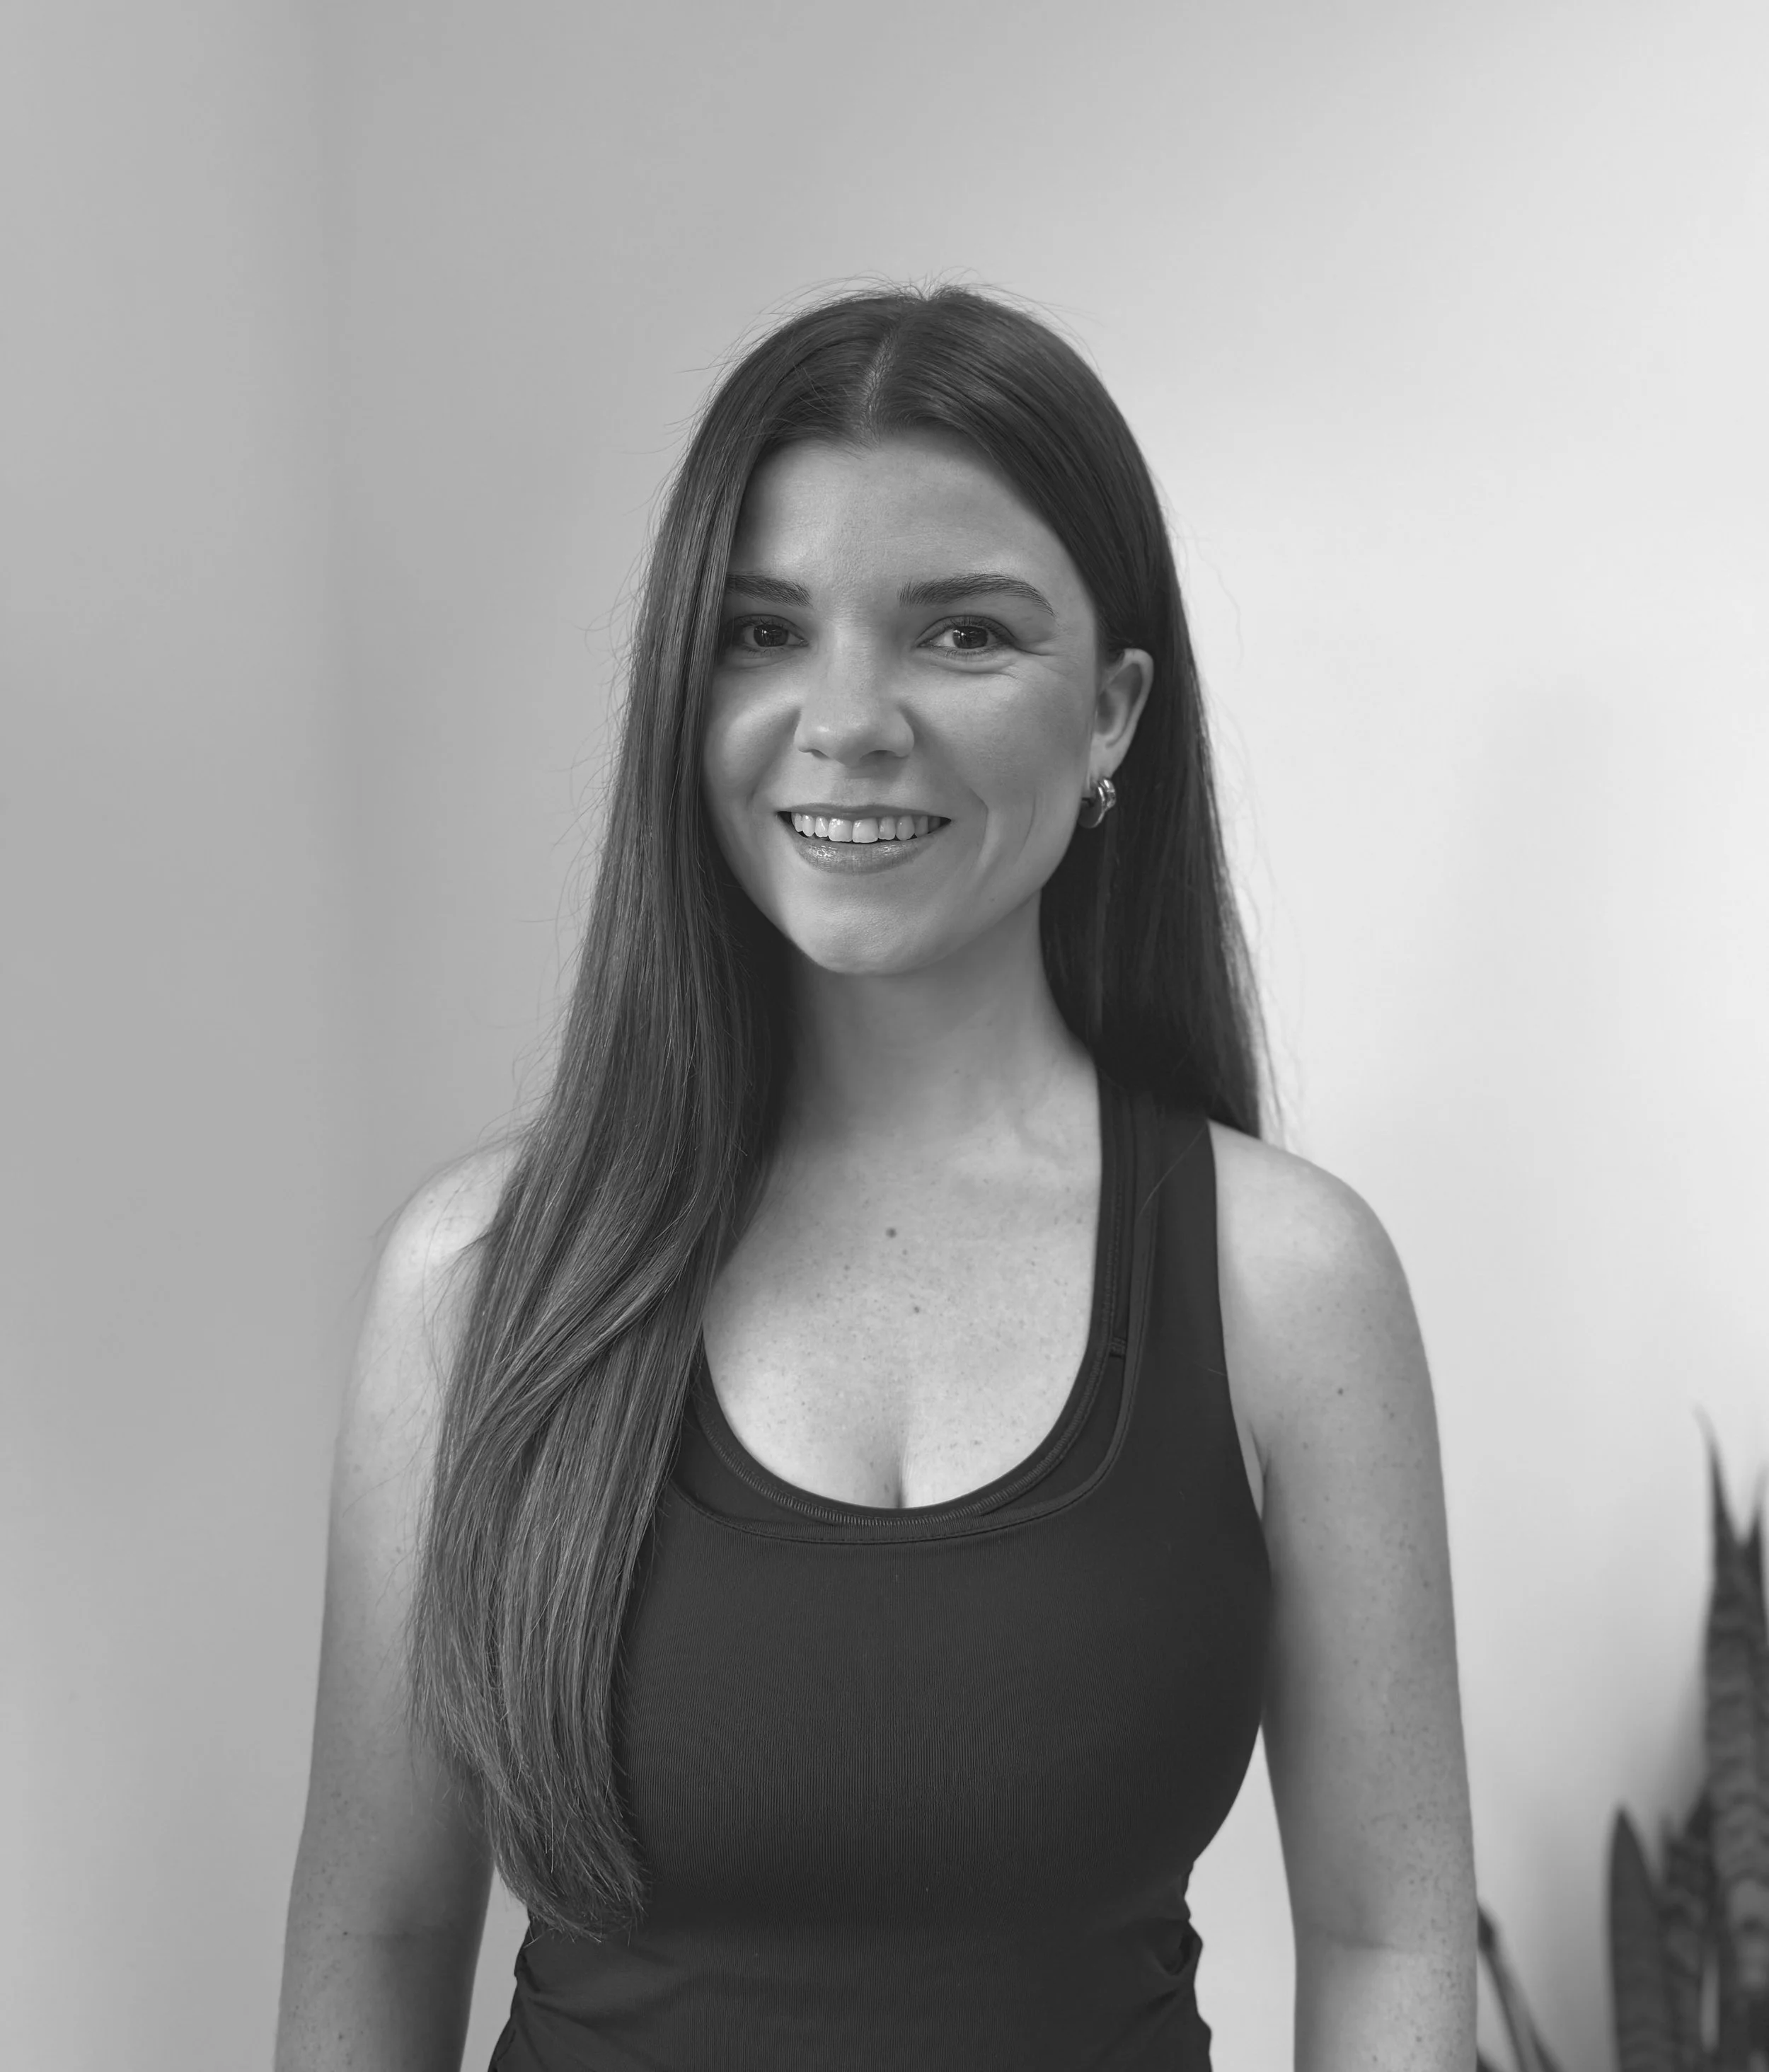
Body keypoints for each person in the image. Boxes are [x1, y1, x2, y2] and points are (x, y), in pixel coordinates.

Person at [275, 282, 1477, 2071]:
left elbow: (1387, 1938)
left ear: (1113, 715)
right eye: (762, 632)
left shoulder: (1281, 1279)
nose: (846, 718)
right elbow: (376, 1938)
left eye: (961, 634)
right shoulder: (475, 1280)